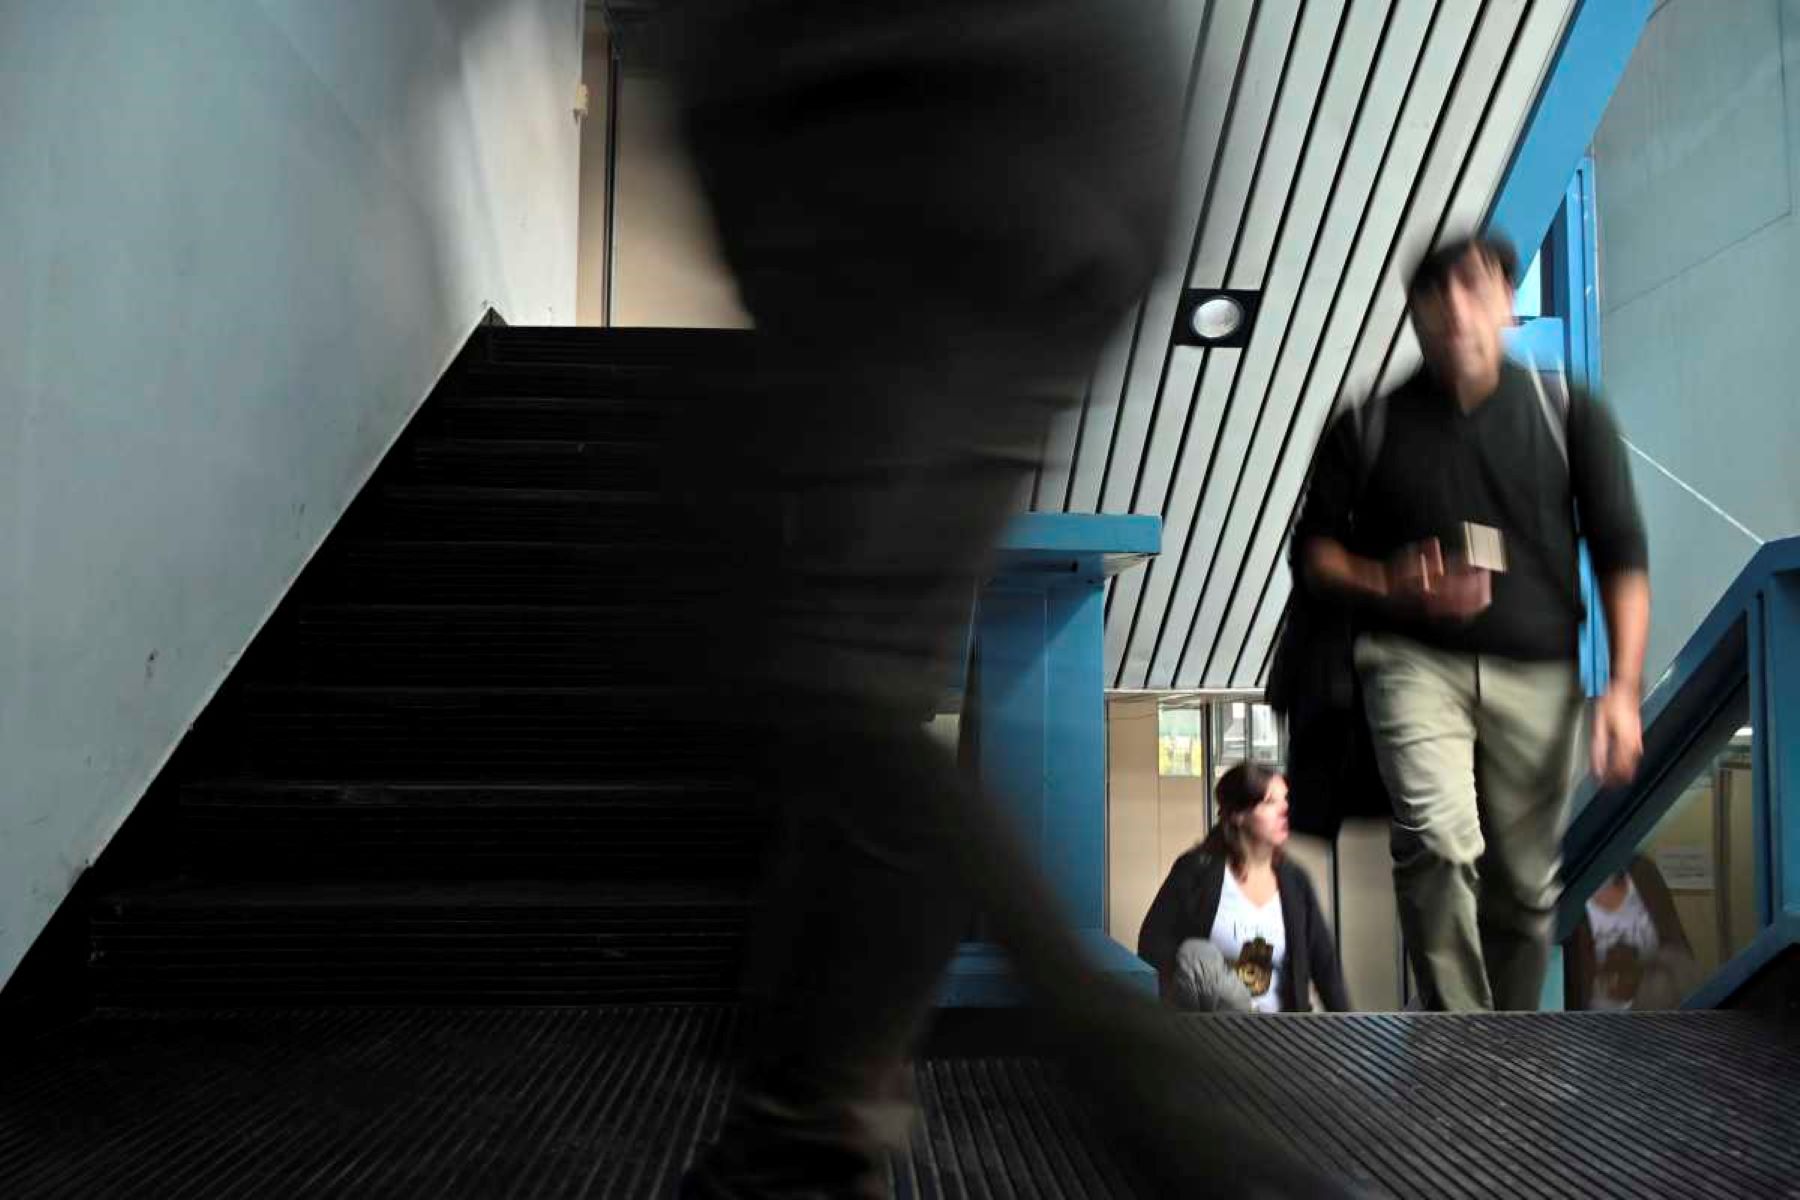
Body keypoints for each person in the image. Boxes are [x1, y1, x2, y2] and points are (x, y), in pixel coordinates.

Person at [662, 2, 1355, 1197]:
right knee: (856, 678)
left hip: (924, 141)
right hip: (1062, 154)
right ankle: (808, 1122)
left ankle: (1173, 1125)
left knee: (832, 673)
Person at [1294, 232, 1651, 1013]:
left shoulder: (1568, 414)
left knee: (1524, 887)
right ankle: (1464, 1035)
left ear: (1505, 299)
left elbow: (1623, 554)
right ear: (1414, 311)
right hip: (1410, 662)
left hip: (1539, 675)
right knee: (1437, 842)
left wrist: (1622, 690)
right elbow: (1314, 553)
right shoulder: (1369, 426)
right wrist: (1387, 577)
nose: (1454, 306)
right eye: (1433, 291)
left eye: (1472, 285)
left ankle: (1512, 1039)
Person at [1138, 763, 1351, 1014]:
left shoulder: (1294, 881)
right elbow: (1153, 944)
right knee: (1196, 952)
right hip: (1212, 1035)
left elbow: (1324, 966)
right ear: (1238, 814)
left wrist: (1352, 1033)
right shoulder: (1197, 871)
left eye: (1286, 800)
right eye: (1271, 802)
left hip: (1283, 1034)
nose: (1285, 810)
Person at [1569, 854, 1699, 1011]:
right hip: (1592, 1028)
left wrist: (1639, 975)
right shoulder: (1568, 891)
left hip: (1662, 1023)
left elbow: (1683, 962)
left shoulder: (1643, 871)